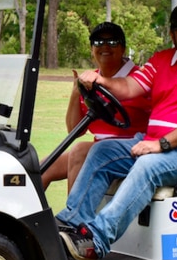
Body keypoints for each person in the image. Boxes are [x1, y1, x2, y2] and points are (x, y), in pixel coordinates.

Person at [57, 2, 177, 260]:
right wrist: (102, 81)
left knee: (148, 165)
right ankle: (70, 224)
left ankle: (97, 240)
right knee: (103, 151)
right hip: (160, 146)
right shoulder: (161, 61)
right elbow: (129, 86)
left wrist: (162, 144)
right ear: (173, 36)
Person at [41, 22, 150, 191]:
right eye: (98, 43)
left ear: (122, 48)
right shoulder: (89, 79)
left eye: (112, 42)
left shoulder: (140, 79)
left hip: (132, 150)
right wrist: (76, 92)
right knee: (41, 168)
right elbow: (74, 130)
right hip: (99, 149)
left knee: (79, 151)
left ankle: (74, 217)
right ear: (92, 51)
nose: (105, 46)